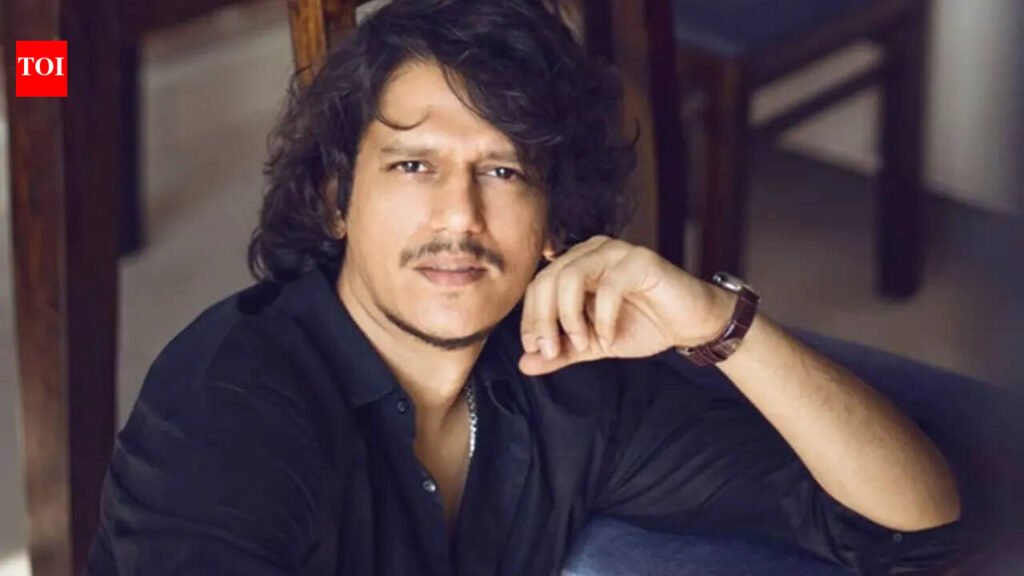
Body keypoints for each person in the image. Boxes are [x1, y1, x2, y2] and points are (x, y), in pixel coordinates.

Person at [84, 0, 962, 574]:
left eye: (503, 171)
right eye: (415, 164)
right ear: (337, 199)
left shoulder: (569, 386)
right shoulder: (233, 400)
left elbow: (909, 523)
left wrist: (716, 320)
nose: (459, 214)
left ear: (552, 224)